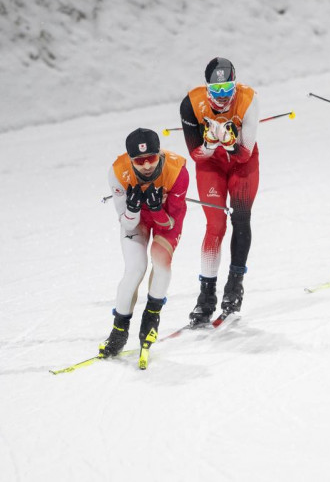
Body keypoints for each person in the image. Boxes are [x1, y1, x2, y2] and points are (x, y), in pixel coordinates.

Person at [179, 57, 260, 325]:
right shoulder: (191, 103)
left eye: (228, 90)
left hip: (242, 164)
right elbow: (196, 155)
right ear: (207, 89)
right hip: (211, 164)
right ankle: (206, 296)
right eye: (217, 91)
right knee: (215, 225)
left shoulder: (248, 100)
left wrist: (230, 142)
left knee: (240, 217)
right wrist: (212, 144)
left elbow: (245, 154)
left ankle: (234, 286)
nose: (223, 97)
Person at [100, 128, 189, 369]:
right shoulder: (118, 172)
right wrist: (132, 209)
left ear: (160, 154)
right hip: (136, 220)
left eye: (151, 158)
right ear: (130, 160)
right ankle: (119, 329)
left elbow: (169, 222)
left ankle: (151, 319)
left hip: (166, 219)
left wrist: (157, 208)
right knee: (135, 270)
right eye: (139, 161)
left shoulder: (177, 170)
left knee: (161, 262)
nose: (147, 165)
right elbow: (127, 223)